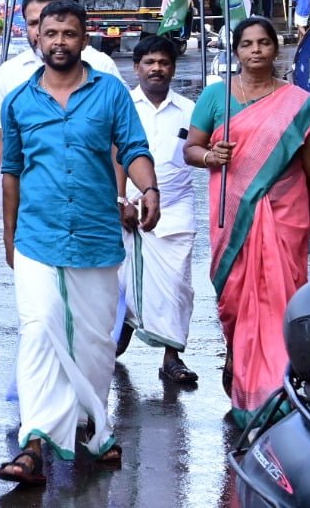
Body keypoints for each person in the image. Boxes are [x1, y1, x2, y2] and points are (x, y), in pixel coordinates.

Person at [0, 0, 158, 485]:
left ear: (84, 37)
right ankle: (35, 443)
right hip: (37, 237)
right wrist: (9, 238)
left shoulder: (109, 93)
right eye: (51, 33)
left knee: (92, 343)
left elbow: (133, 148)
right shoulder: (18, 101)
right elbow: (11, 175)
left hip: (95, 235)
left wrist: (148, 189)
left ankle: (94, 425)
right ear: (37, 38)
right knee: (40, 329)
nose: (59, 42)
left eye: (69, 33)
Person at [183, 17, 310, 427]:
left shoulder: (297, 103)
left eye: (263, 43)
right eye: (247, 44)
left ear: (276, 50)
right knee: (238, 306)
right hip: (233, 219)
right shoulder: (216, 98)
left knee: (279, 304)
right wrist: (211, 157)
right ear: (236, 50)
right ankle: (242, 374)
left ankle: (278, 396)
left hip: (285, 219)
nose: (256, 51)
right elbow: (191, 148)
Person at [0, 0, 121, 218]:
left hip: (94, 206)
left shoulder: (101, 67)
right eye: (33, 23)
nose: (42, 30)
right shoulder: (11, 72)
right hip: (33, 208)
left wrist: (121, 196)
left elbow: (120, 140)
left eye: (50, 18)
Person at [116, 35, 199, 385]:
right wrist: (120, 200)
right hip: (125, 209)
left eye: (164, 63)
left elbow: (199, 152)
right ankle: (121, 334)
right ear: (137, 68)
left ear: (173, 69)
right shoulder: (123, 106)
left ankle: (171, 357)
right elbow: (115, 153)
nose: (157, 69)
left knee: (177, 286)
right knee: (119, 284)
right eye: (149, 62)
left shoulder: (189, 110)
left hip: (175, 209)